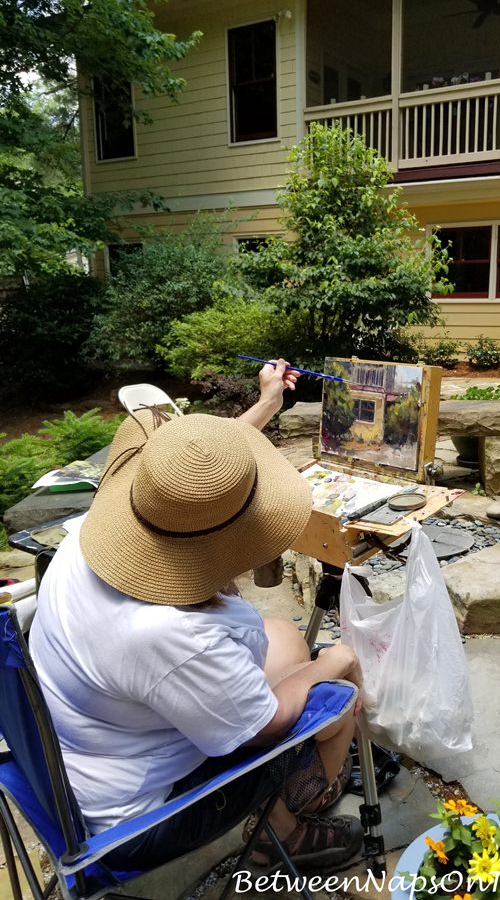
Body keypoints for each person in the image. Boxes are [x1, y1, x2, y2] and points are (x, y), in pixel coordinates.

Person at [29, 360, 364, 871]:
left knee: (284, 637)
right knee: (340, 695)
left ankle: (280, 809)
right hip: (141, 816)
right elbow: (266, 725)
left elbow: (191, 487)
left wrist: (269, 402)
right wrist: (334, 661)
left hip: (85, 748)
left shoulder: (93, 532)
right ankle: (285, 832)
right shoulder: (170, 633)